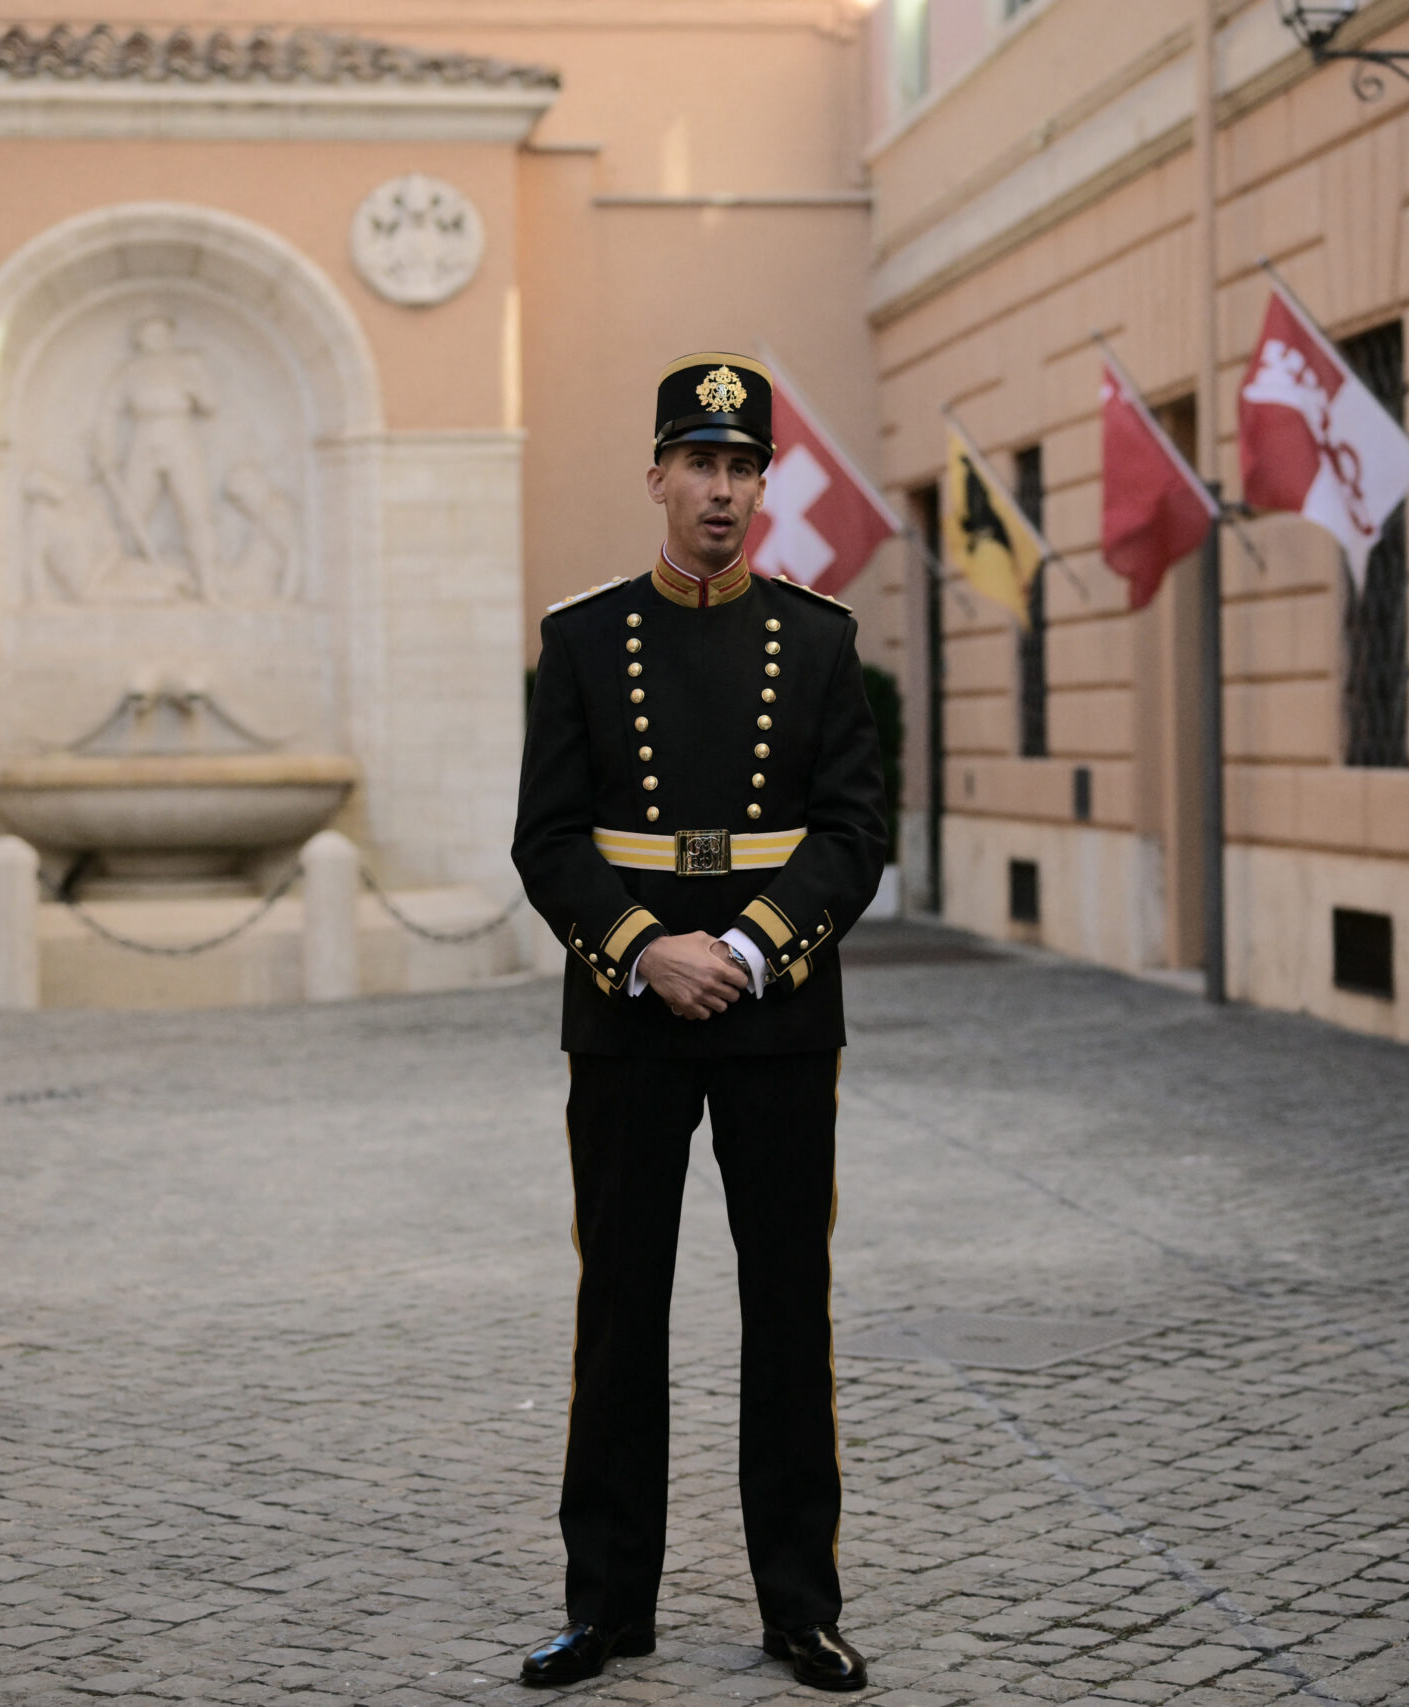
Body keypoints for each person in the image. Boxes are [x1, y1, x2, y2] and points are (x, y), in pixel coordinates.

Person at [510, 353, 888, 1693]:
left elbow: (853, 836)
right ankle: (606, 1605)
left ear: (760, 481)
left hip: (775, 1017)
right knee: (623, 1311)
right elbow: (547, 838)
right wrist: (643, 951)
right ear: (657, 476)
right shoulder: (581, 640)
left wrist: (741, 947)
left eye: (743, 468)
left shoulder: (824, 640)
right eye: (699, 465)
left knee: (788, 1310)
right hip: (629, 1020)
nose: (720, 491)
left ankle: (799, 1605)